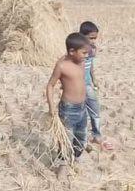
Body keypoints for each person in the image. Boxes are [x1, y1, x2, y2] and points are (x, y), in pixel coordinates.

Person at [46, 33, 89, 177]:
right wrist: (51, 107)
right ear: (71, 51)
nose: (86, 55)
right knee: (65, 139)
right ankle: (63, 164)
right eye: (83, 52)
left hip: (83, 107)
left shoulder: (81, 62)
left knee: (81, 137)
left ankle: (76, 158)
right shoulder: (62, 65)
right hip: (69, 109)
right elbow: (50, 85)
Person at [79, 21, 113, 151]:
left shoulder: (92, 50)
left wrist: (94, 79)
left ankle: (96, 135)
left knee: (95, 109)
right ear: (82, 36)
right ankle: (81, 139)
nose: (93, 41)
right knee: (81, 113)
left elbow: (91, 65)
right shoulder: (78, 50)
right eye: (91, 38)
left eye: (95, 38)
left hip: (88, 84)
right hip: (78, 86)